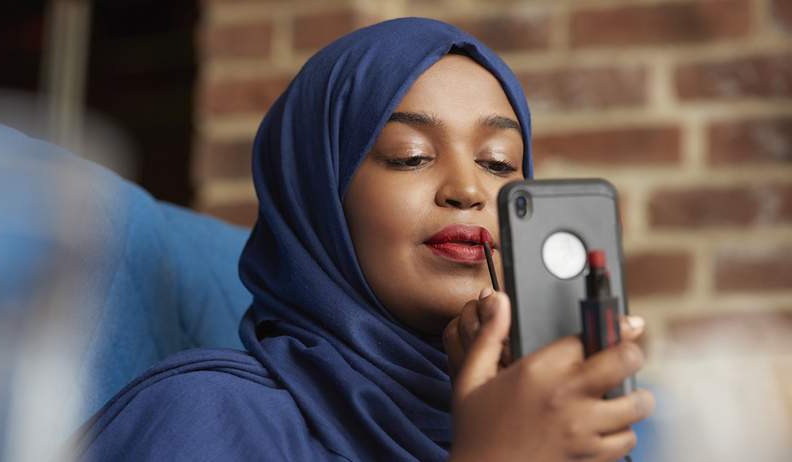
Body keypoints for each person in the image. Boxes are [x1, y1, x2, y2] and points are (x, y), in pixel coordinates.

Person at [75, 17, 653, 461]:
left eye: (500, 164)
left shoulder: (559, 424)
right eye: (411, 157)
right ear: (318, 197)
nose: (467, 189)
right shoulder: (206, 420)